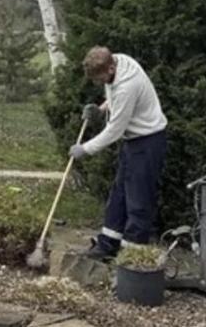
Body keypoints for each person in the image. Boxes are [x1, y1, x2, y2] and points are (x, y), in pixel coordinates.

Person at [69, 46, 168, 262]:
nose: (100, 83)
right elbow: (113, 94)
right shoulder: (119, 62)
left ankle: (132, 257)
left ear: (110, 67)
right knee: (119, 194)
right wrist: (101, 109)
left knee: (138, 200)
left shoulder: (127, 85)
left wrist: (85, 149)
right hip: (133, 142)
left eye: (101, 78)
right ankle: (108, 244)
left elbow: (115, 130)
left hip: (148, 142)